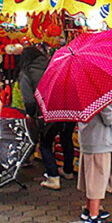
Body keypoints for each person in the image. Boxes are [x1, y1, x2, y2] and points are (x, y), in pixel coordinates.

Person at [18, 45, 75, 189]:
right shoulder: (54, 64)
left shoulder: (27, 73)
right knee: (66, 138)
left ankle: (53, 176)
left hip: (46, 112)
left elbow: (29, 99)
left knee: (45, 143)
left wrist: (32, 113)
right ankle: (68, 171)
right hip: (66, 108)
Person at [77, 102, 112, 223]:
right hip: (100, 141)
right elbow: (109, 119)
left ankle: (88, 209)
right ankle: (94, 216)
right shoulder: (101, 96)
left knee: (89, 178)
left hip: (87, 140)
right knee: (97, 179)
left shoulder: (81, 95)